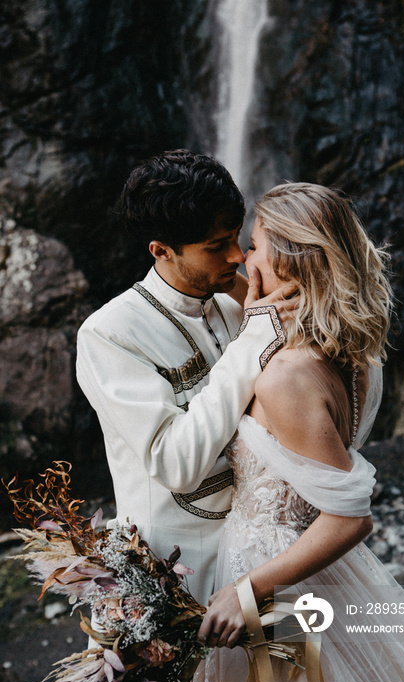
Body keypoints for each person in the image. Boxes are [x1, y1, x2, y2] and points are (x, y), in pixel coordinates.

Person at [197, 183, 404, 682]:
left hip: (274, 581)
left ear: (293, 268)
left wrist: (245, 593)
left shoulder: (285, 377)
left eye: (254, 247)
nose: (242, 259)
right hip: (328, 575)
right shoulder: (359, 355)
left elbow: (351, 516)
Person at [76, 150, 295, 608]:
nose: (238, 256)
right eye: (217, 246)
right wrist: (254, 340)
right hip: (179, 577)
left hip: (265, 555)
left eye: (237, 237)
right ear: (161, 250)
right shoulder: (109, 333)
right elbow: (175, 463)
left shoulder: (241, 304)